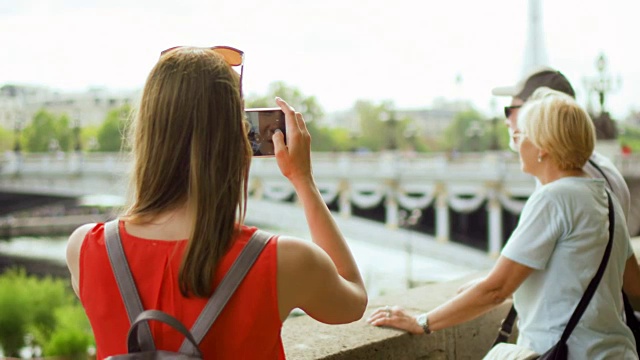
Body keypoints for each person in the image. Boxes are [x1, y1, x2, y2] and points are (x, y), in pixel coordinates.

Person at [65, 46, 367, 359]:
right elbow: (353, 300)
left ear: (147, 135)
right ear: (239, 138)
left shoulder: (85, 248)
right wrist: (304, 181)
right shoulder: (285, 261)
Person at [368, 89, 640, 359]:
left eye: (520, 136)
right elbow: (632, 285)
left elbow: (496, 290)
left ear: (543, 145)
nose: (517, 145)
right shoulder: (605, 197)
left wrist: (422, 322)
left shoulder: (553, 198)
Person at [494, 66, 634, 235]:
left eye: (511, 110)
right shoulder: (597, 169)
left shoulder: (560, 188)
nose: (507, 120)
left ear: (538, 113)